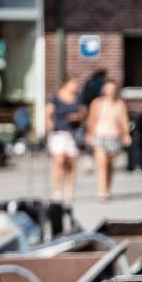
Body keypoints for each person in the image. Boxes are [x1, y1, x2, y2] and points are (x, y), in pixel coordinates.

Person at [87, 77, 130, 202]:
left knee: (110, 166)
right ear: (104, 89)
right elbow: (92, 120)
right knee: (102, 164)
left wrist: (126, 134)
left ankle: (107, 188)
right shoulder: (97, 103)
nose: (110, 91)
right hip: (100, 136)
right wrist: (90, 134)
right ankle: (102, 191)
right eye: (108, 88)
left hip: (114, 137)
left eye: (112, 88)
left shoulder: (119, 104)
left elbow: (124, 120)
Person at [48, 75, 84, 206]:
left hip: (73, 133)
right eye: (73, 83)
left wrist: (78, 117)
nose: (75, 86)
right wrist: (49, 128)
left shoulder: (78, 98)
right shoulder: (56, 98)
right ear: (66, 84)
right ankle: (57, 190)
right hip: (59, 132)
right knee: (59, 160)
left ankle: (69, 190)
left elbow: (83, 113)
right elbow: (48, 113)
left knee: (70, 162)